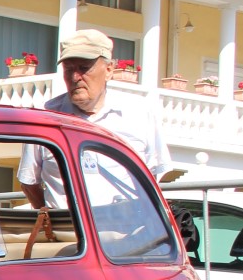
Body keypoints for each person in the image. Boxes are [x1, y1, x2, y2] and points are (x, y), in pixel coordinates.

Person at [18, 29, 174, 211]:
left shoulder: (139, 114)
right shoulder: (44, 119)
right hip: (68, 235)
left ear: (109, 70)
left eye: (84, 68)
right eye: (69, 69)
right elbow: (28, 181)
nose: (75, 77)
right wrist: (52, 223)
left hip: (128, 232)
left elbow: (154, 176)